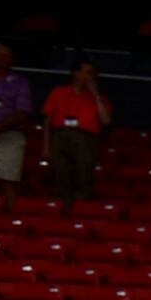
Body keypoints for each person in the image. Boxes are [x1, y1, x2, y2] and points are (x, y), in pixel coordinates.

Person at [40, 57, 108, 201]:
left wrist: (96, 95)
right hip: (60, 136)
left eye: (92, 74)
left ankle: (82, 205)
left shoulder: (99, 98)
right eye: (87, 73)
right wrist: (46, 147)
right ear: (76, 74)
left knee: (84, 175)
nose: (90, 77)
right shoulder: (58, 92)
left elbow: (106, 120)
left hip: (85, 139)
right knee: (61, 175)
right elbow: (47, 122)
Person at [0, 43, 30, 193]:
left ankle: (10, 213)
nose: (0, 58)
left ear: (12, 59)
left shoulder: (20, 83)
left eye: (4, 55)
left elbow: (23, 111)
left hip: (9, 135)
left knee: (9, 181)